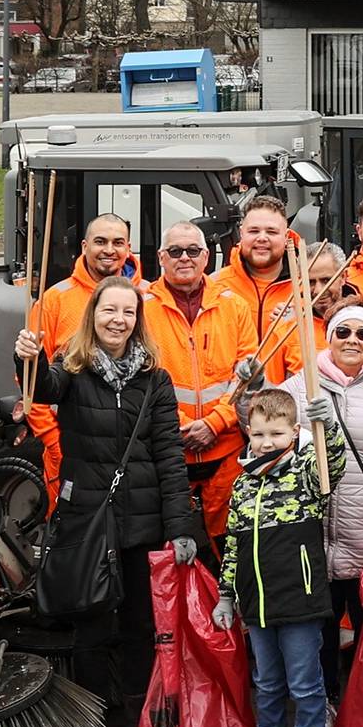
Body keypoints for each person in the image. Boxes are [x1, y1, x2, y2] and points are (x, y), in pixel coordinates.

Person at [12, 279, 194, 727]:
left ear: (139, 319)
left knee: (139, 628)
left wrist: (181, 525)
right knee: (91, 626)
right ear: (93, 314)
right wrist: (27, 355)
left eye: (128, 312)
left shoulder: (154, 379)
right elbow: (42, 389)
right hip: (89, 522)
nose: (118, 319)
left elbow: (168, 455)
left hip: (141, 521)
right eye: (109, 310)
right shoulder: (71, 369)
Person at [213, 388, 349, 727]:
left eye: (275, 433)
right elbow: (234, 545)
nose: (266, 442)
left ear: (294, 433)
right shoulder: (242, 485)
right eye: (258, 434)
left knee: (305, 685)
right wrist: (225, 595)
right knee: (267, 683)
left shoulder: (307, 472)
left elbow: (334, 465)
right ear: (247, 434)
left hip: (300, 598)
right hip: (256, 603)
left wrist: (330, 429)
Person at [278, 302, 363, 696]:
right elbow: (260, 425)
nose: (352, 340)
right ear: (329, 337)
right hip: (313, 528)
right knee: (318, 628)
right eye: (343, 332)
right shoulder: (302, 382)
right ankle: (325, 701)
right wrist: (248, 387)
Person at [139, 222, 259, 543]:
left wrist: (216, 423)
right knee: (169, 554)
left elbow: (246, 375)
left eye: (193, 251)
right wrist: (178, 427)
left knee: (230, 546)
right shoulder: (142, 308)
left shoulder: (234, 305)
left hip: (226, 451)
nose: (184, 258)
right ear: (162, 258)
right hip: (166, 455)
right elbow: (140, 378)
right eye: (175, 251)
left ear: (206, 256)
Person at [26, 214, 141, 492]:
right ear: (84, 246)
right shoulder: (55, 300)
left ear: (129, 248)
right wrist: (53, 440)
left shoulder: (147, 297)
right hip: (69, 448)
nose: (109, 250)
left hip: (133, 451)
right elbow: (31, 381)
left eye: (118, 242)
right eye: (100, 241)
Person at [262, 242, 348, 384]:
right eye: (311, 282)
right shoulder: (284, 325)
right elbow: (269, 392)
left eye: (326, 280)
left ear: (343, 277)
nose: (318, 290)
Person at [221, 195, 298, 342]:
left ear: (286, 236)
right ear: (241, 233)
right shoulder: (215, 287)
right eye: (254, 231)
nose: (262, 238)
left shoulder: (307, 288)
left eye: (271, 232)